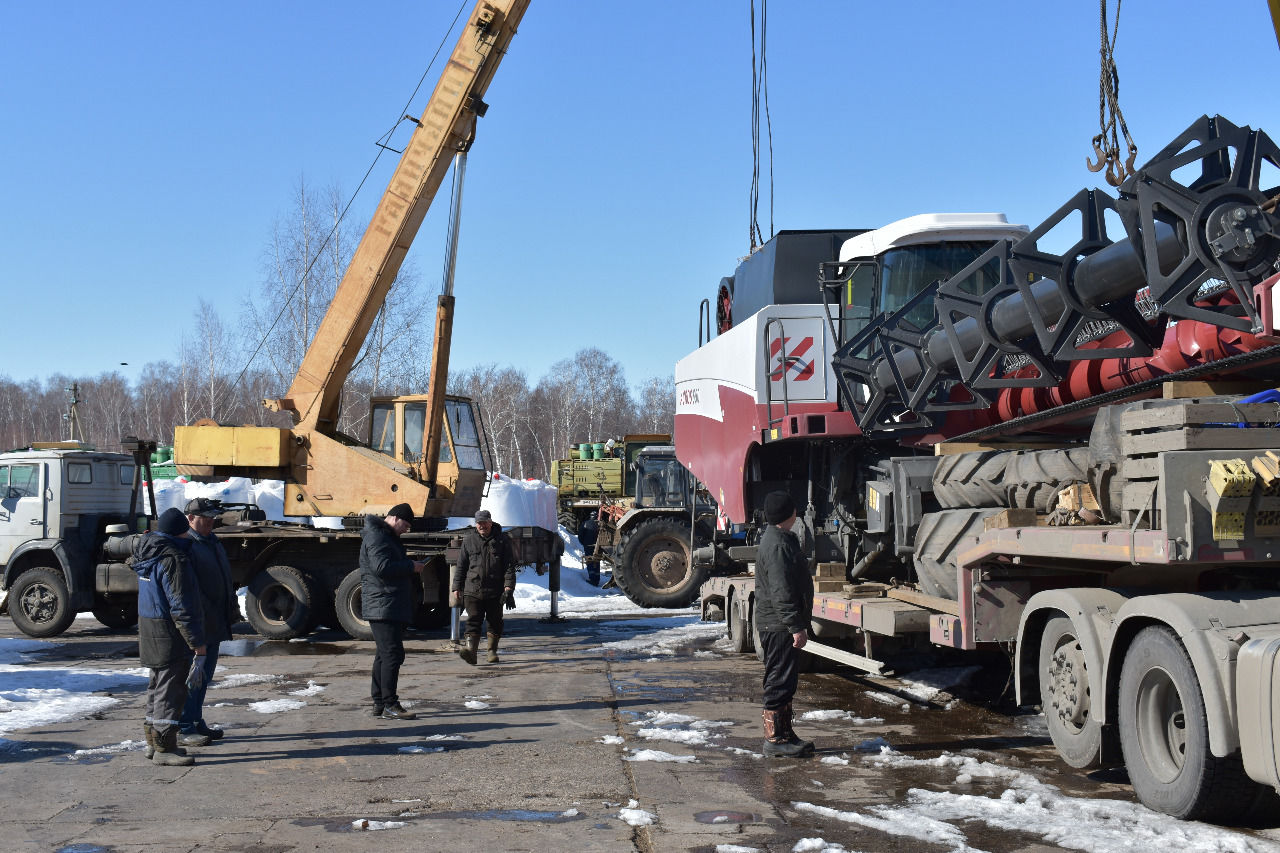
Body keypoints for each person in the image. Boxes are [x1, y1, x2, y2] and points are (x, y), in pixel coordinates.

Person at [132, 506, 206, 766]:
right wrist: (197, 643)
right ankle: (165, 748)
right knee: (170, 689)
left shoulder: (149, 553)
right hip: (169, 632)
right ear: (179, 532)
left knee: (156, 685)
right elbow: (181, 606)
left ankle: (153, 744)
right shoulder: (173, 559)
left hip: (151, 627)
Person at [754, 490, 815, 758]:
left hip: (777, 624)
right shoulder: (778, 545)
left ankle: (785, 733)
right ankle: (775, 740)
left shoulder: (778, 539)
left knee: (785, 680)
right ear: (790, 514)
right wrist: (795, 625)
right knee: (779, 681)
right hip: (778, 626)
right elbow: (782, 591)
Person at [178, 497, 240, 748]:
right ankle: (184, 725)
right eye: (206, 517)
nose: (211, 521)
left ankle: (195, 719)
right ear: (190, 519)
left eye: (213, 517)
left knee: (205, 677)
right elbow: (189, 592)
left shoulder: (211, 542)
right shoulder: (188, 546)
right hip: (200, 624)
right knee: (192, 678)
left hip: (215, 622)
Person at [360, 502, 424, 720]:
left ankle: (379, 703)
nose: (406, 530)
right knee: (392, 655)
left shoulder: (384, 536)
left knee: (384, 655)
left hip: (386, 604)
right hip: (383, 604)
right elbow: (382, 568)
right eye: (405, 525)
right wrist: (410, 567)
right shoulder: (378, 537)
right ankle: (389, 704)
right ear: (395, 518)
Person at [451, 509, 517, 666]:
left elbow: (509, 566)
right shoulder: (469, 540)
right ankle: (471, 652)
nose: (482, 526)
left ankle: (491, 652)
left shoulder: (502, 540)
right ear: (476, 524)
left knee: (495, 621)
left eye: (485, 523)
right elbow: (461, 566)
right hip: (472, 589)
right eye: (479, 523)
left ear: (491, 522)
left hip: (495, 590)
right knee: (473, 621)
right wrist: (456, 586)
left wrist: (508, 587)